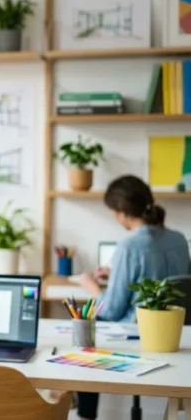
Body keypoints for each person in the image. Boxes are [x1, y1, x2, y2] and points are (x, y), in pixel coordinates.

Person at [75, 174, 190, 420]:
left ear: (120, 211)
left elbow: (112, 310)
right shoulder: (179, 240)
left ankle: (85, 415)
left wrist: (91, 286)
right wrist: (117, 275)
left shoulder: (128, 247)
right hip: (174, 332)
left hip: (137, 332)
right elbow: (168, 284)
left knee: (85, 334)